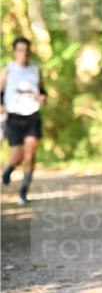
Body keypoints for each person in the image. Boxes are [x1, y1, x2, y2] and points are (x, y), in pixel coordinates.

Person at [1, 37, 47, 206]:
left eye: (26, 50)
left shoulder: (35, 69)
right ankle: (9, 168)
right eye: (20, 50)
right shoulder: (8, 69)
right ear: (14, 52)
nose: (24, 53)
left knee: (30, 154)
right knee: (17, 157)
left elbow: (42, 89)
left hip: (32, 115)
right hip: (14, 116)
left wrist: (43, 97)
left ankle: (23, 191)